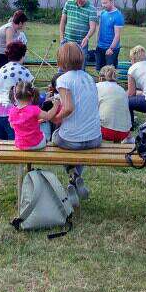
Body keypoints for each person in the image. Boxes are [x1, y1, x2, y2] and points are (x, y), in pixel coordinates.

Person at [52, 42, 102, 200]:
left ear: (61, 60)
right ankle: (75, 180)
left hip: (72, 140)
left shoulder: (63, 80)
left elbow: (68, 108)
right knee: (77, 142)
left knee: (55, 137)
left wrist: (55, 118)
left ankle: (73, 175)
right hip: (95, 138)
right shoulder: (89, 78)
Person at [0, 41, 33, 139]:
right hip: (10, 113)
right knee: (14, 144)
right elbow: (30, 95)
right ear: (23, 55)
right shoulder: (24, 72)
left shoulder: (2, 69)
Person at [8, 81, 59, 150]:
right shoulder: (34, 109)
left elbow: (12, 126)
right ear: (32, 96)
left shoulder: (12, 111)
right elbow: (48, 116)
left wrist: (33, 123)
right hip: (36, 144)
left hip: (20, 145)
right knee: (44, 135)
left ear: (15, 96)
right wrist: (56, 105)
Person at [59, 0, 97, 68]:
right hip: (66, 41)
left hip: (81, 43)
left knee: (80, 67)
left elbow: (93, 27)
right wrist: (62, 38)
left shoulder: (92, 9)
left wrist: (87, 38)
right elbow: (63, 22)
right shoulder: (68, 4)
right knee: (63, 66)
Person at [97, 65, 132, 143]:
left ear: (100, 78)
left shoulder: (97, 86)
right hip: (124, 133)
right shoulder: (122, 90)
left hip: (104, 131)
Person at [95, 0, 125, 71]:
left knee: (110, 73)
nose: (103, 5)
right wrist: (97, 42)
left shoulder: (118, 16)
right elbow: (100, 28)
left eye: (105, 3)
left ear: (112, 1)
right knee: (99, 71)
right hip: (100, 47)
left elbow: (117, 35)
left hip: (111, 49)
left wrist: (111, 48)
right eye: (102, 3)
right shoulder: (103, 13)